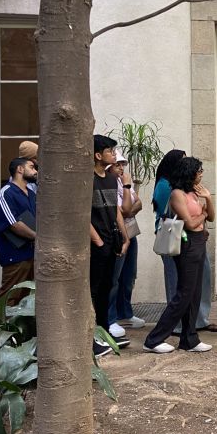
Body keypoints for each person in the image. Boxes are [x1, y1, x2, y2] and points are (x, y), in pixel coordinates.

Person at [144, 156, 215, 353]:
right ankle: (153, 339)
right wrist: (203, 214)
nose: (201, 175)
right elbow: (190, 224)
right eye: (199, 171)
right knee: (184, 293)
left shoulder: (194, 193)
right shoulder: (177, 194)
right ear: (189, 173)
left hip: (199, 242)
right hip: (187, 243)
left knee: (195, 293)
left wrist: (208, 199)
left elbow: (212, 216)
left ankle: (189, 339)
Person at [90, 135, 130, 356]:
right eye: (110, 151)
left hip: (112, 240)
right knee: (94, 290)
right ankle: (93, 337)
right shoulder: (88, 180)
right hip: (97, 244)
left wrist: (125, 236)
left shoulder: (111, 179)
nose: (114, 155)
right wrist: (97, 240)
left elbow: (116, 210)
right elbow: (82, 215)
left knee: (107, 289)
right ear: (98, 155)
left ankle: (105, 333)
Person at [106, 151, 145, 339]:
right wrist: (129, 203)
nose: (122, 168)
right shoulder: (111, 184)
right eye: (117, 165)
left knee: (128, 276)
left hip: (130, 231)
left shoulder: (122, 183)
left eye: (123, 164)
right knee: (114, 278)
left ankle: (124, 313)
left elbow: (138, 204)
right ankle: (110, 317)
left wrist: (129, 208)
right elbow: (125, 209)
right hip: (117, 236)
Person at [0, 157, 38, 305]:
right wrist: (37, 237)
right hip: (15, 255)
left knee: (26, 298)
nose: (35, 171)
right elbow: (13, 224)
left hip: (31, 254)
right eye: (31, 167)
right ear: (20, 169)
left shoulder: (31, 193)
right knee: (10, 296)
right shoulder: (6, 193)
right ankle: (2, 320)